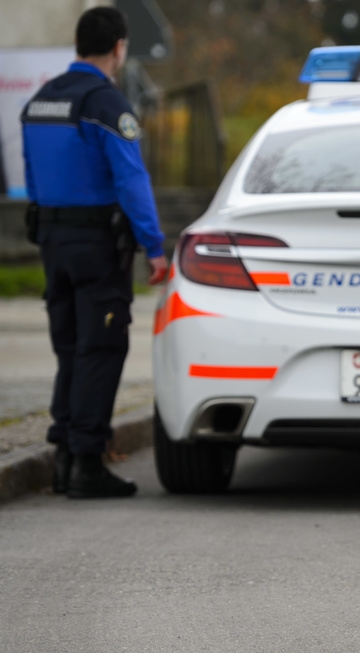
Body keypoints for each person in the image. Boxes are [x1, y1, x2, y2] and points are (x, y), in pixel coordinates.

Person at [21, 6, 168, 499]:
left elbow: (33, 175)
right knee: (101, 348)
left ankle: (63, 456)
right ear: (119, 47)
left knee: (70, 348)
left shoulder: (41, 100)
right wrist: (154, 246)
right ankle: (86, 463)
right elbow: (131, 180)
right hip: (95, 245)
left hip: (52, 241)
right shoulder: (107, 105)